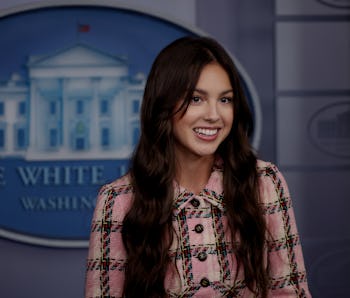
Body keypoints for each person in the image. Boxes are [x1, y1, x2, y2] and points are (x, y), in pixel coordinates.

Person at [85, 36, 311, 297]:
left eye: (225, 100)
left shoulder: (264, 182)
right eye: (196, 99)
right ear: (163, 105)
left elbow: (291, 292)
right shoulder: (118, 199)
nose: (214, 115)